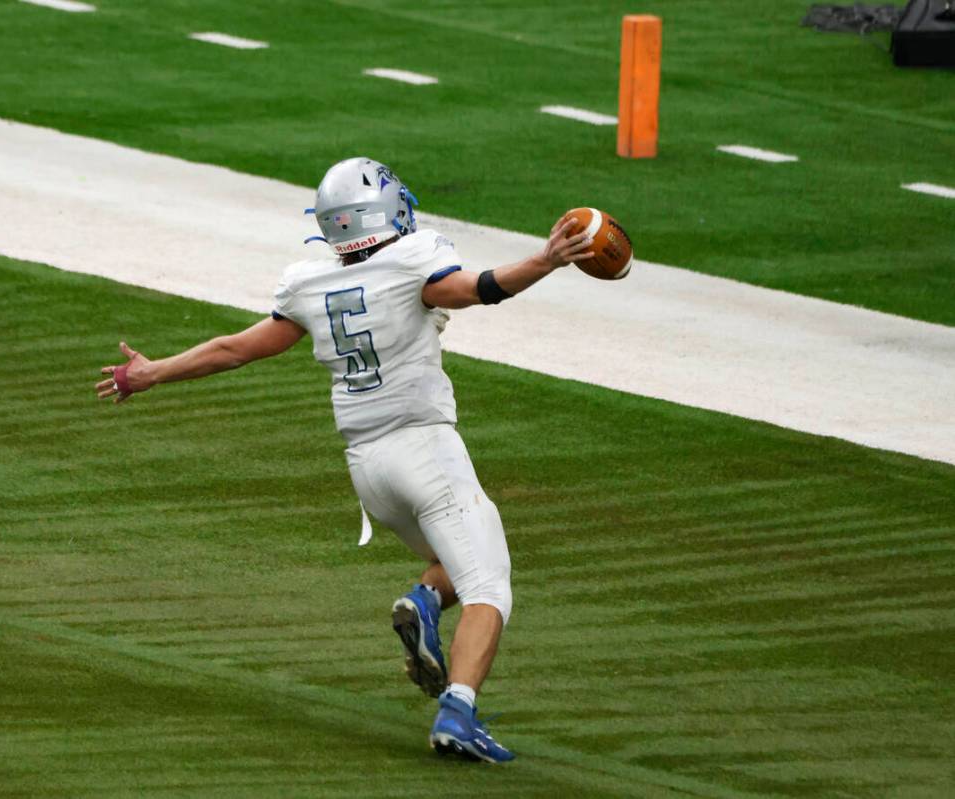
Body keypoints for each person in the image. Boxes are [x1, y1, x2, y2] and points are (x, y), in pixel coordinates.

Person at [95, 157, 594, 762]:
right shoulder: (415, 258)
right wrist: (543, 262)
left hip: (368, 470)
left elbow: (236, 349)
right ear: (383, 212)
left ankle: (426, 602)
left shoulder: (311, 283)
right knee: (489, 582)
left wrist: (151, 373)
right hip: (424, 448)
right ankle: (458, 711)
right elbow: (472, 289)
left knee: (454, 563)